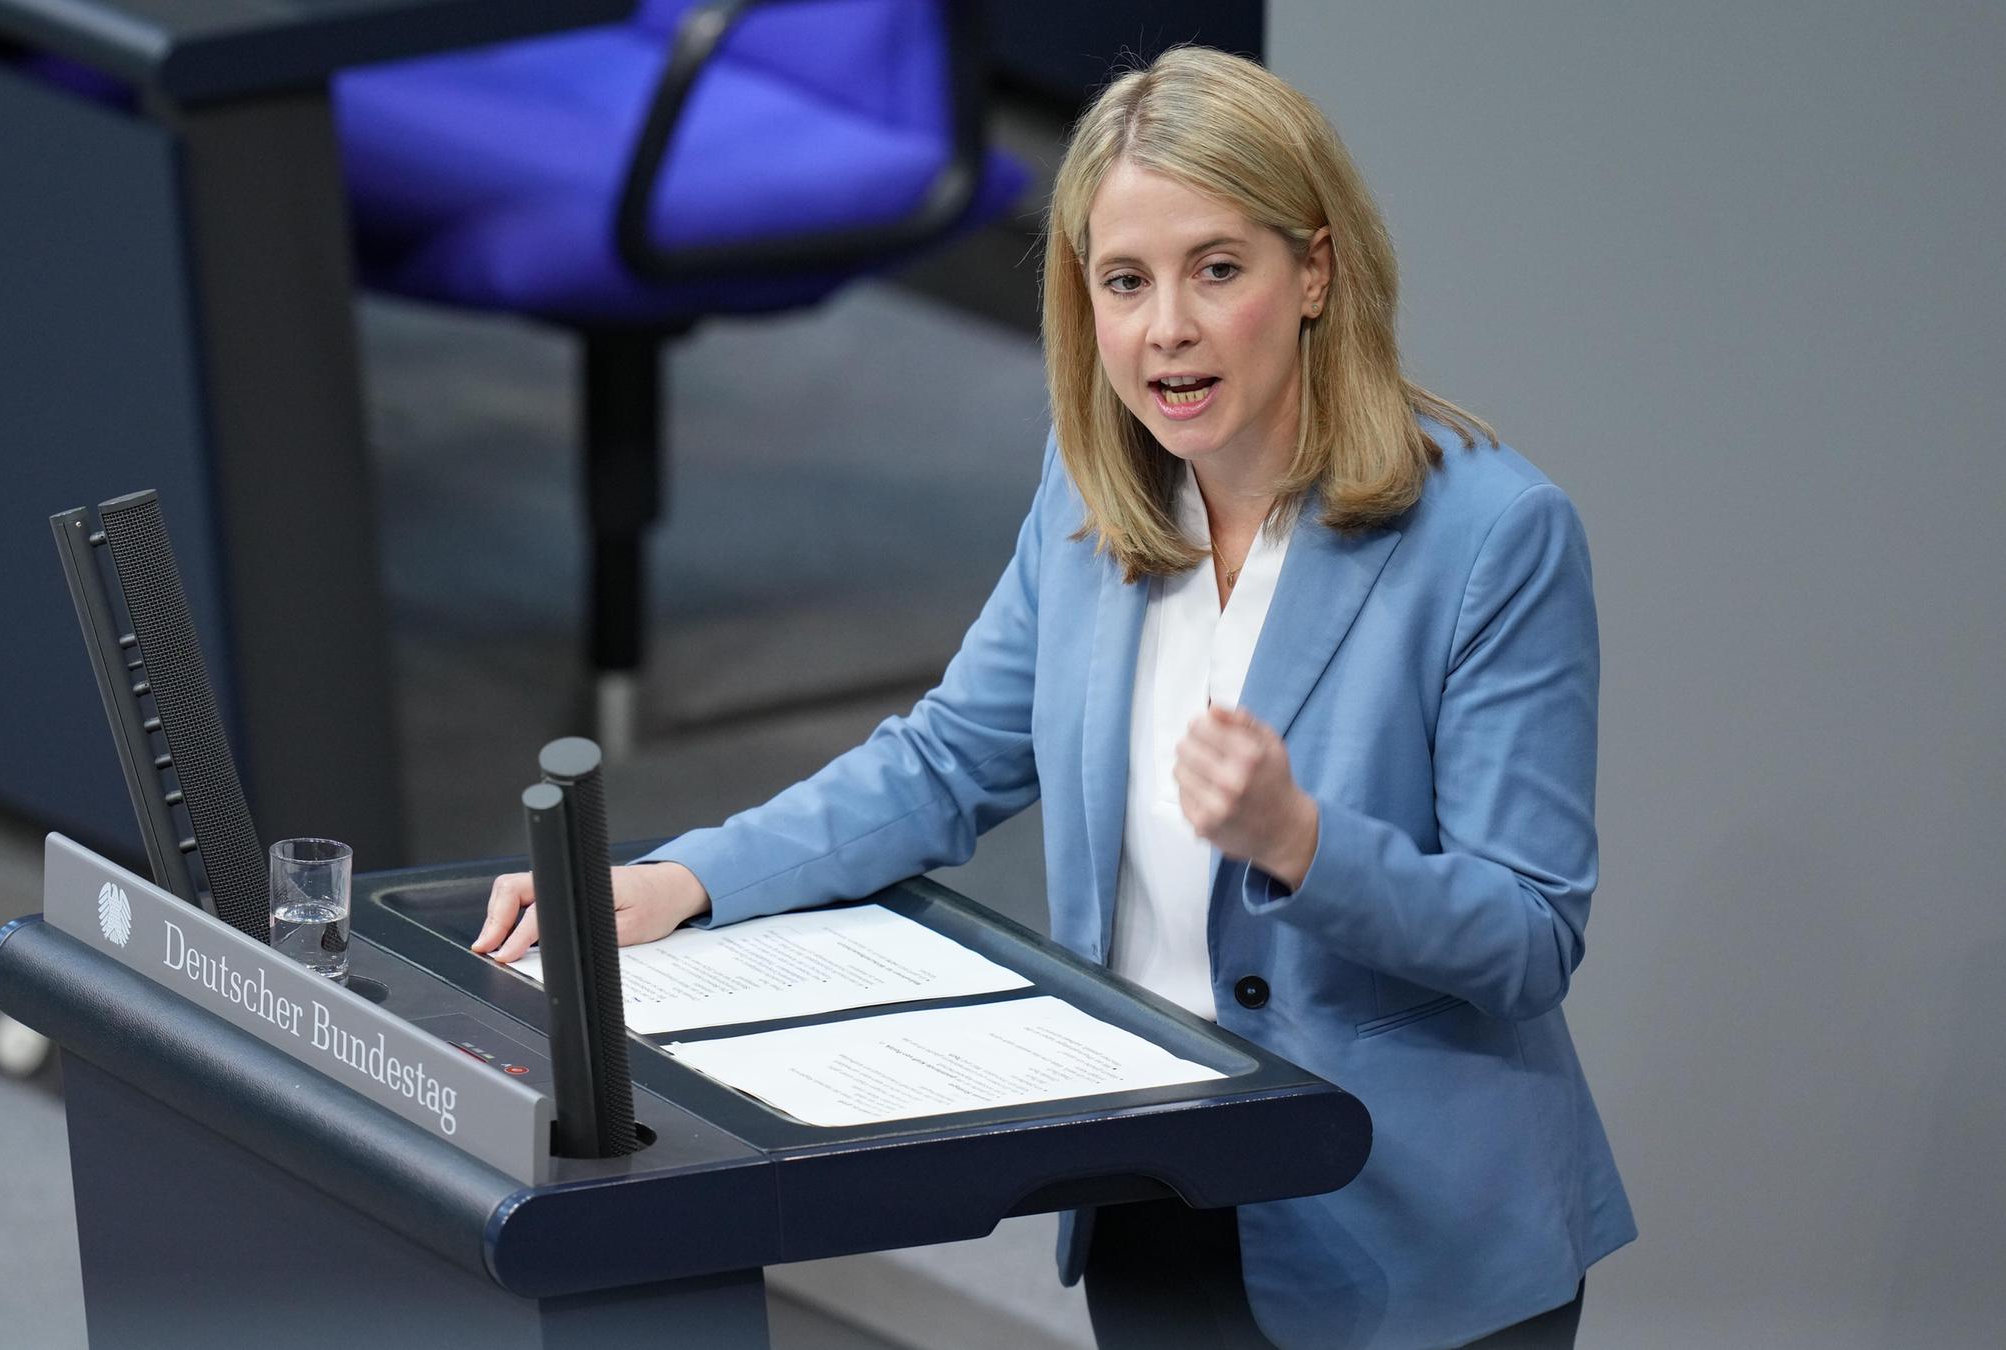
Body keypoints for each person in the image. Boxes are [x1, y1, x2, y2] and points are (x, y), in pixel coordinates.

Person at [472, 44, 1635, 1350]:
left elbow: (1529, 934)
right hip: (1157, 1192)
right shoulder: (1096, 499)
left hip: (1409, 1247)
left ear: (1314, 271)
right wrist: (686, 877)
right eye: (1123, 281)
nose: (1165, 330)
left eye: (1217, 270)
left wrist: (1303, 844)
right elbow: (943, 762)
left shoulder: (1493, 535)